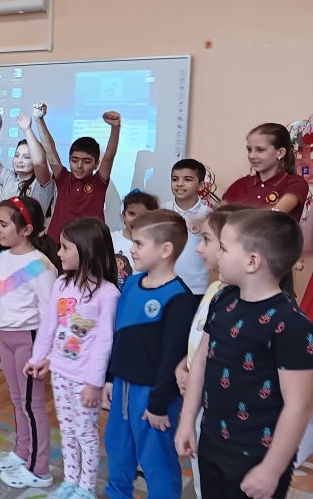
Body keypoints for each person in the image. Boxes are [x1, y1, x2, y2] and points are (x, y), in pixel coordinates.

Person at [176, 210, 313, 499]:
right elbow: (201, 362)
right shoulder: (222, 298)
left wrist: (271, 470)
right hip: (212, 441)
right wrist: (187, 420)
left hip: (258, 457)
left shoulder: (291, 324)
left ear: (252, 261)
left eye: (224, 249)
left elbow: (298, 406)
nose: (218, 255)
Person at [103, 209, 198, 499]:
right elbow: (118, 335)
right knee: (118, 449)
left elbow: (173, 358)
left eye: (139, 243)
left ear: (165, 250)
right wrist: (110, 378)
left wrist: (158, 404)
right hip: (123, 385)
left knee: (156, 460)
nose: (131, 249)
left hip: (153, 395)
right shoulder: (132, 283)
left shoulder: (179, 298)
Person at [25, 218, 120, 499]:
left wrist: (94, 383)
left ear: (86, 250)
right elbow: (50, 325)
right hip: (60, 372)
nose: (59, 253)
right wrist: (39, 357)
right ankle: (70, 481)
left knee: (85, 434)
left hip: (85, 380)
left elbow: (105, 343)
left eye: (65, 247)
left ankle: (86, 489)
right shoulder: (62, 284)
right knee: (67, 431)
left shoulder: (108, 294)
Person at [0, 196, 59, 489]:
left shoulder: (40, 266)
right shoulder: (0, 259)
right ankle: (23, 451)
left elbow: (50, 313)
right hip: (6, 339)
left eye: (3, 224)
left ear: (26, 230)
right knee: (17, 399)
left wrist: (43, 354)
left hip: (29, 341)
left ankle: (40, 468)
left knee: (33, 404)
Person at [172, 204, 247, 498]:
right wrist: (184, 365)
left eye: (206, 240)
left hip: (224, 412)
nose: (198, 248)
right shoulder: (215, 290)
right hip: (198, 404)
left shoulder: (248, 305)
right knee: (203, 476)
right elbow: (202, 342)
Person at [36, 106, 121, 237]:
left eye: (86, 161)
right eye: (74, 160)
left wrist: (115, 127)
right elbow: (49, 149)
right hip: (57, 243)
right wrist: (39, 120)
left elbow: (109, 156)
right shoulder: (63, 179)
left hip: (89, 244)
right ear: (69, 160)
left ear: (96, 164)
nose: (79, 166)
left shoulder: (98, 183)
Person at [223, 123, 308, 223]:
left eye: (260, 150)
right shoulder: (240, 184)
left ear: (280, 153)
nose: (252, 156)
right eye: (249, 150)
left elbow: (273, 215)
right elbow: (218, 217)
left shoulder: (296, 183)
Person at [0, 110, 56, 214]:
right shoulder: (9, 177)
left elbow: (40, 162)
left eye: (26, 157)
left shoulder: (41, 183)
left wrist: (27, 130)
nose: (19, 160)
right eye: (16, 155)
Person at [163, 158, 217, 296]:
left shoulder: (208, 215)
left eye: (187, 180)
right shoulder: (162, 211)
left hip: (196, 288)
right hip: (164, 284)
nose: (180, 184)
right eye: (175, 179)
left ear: (201, 185)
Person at [110, 191, 159, 287]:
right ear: (123, 214)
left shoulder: (156, 243)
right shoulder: (111, 239)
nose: (136, 220)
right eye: (131, 214)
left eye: (143, 216)